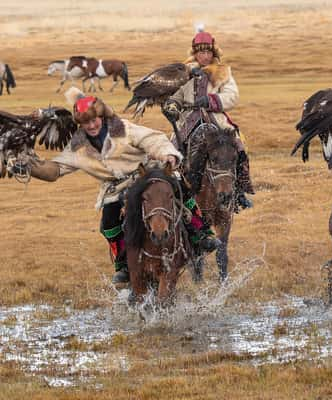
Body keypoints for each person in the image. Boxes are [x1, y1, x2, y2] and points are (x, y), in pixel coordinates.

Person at [15, 88, 219, 284]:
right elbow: (55, 169)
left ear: (101, 117)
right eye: (86, 122)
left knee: (178, 187)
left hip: (145, 174)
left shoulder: (124, 128)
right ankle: (122, 264)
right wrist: (29, 167)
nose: (91, 125)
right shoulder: (77, 147)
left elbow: (153, 139)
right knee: (109, 221)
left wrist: (167, 154)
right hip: (117, 190)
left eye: (94, 120)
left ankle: (201, 234)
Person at [163, 30, 255, 211]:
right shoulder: (184, 72)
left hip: (216, 118)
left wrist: (211, 100)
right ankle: (172, 190)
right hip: (189, 119)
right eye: (201, 52)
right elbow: (176, 95)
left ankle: (239, 191)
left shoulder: (223, 71)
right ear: (195, 53)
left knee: (238, 146)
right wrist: (172, 105)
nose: (205, 56)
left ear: (213, 53)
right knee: (170, 151)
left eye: (208, 52)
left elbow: (232, 96)